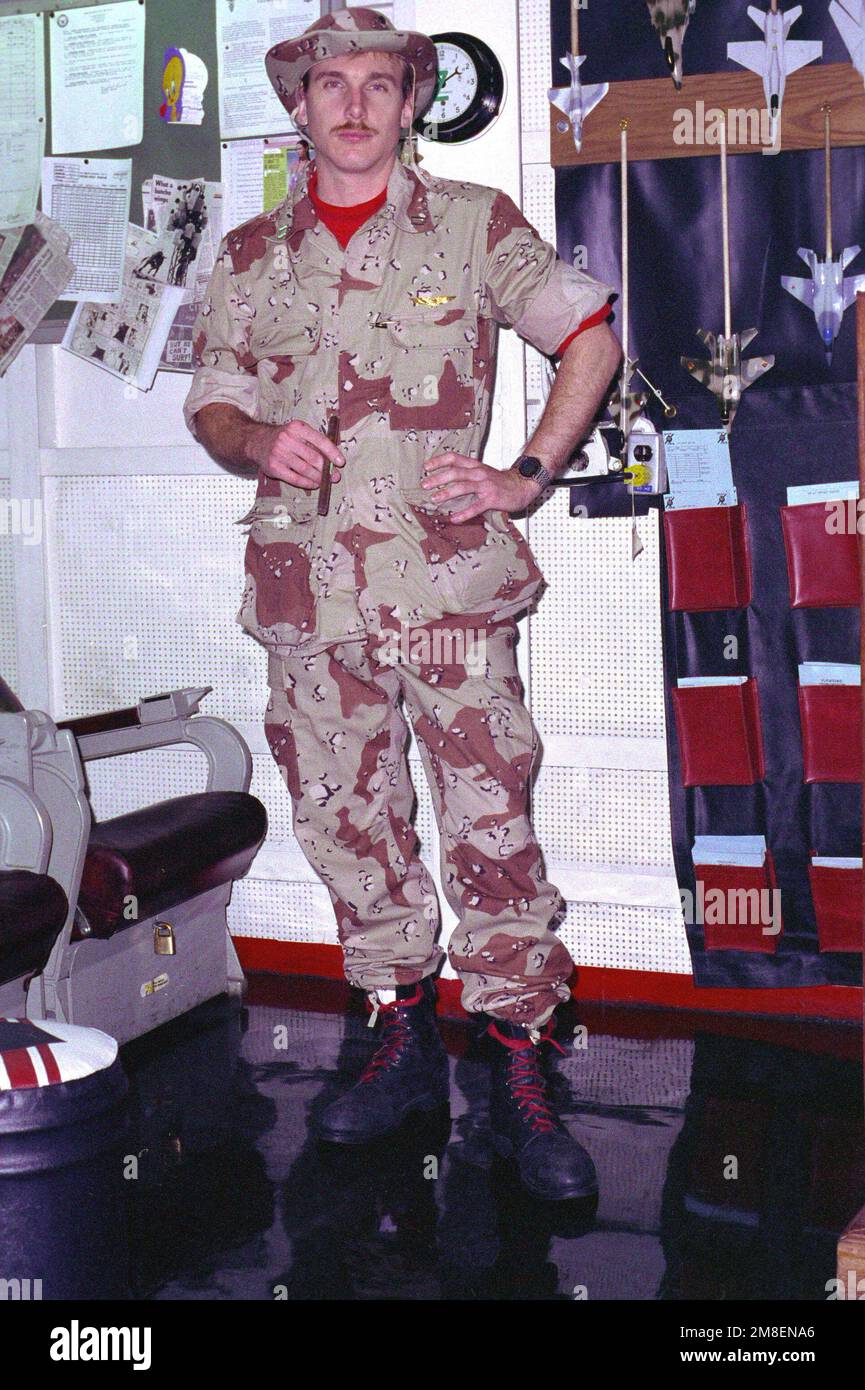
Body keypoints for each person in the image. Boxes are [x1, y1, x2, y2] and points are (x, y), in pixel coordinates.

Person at [185, 7, 621, 1202]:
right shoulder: (244, 255)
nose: (358, 105)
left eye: (383, 83)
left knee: (491, 820)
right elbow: (212, 404)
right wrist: (255, 437)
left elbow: (586, 335)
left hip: (446, 587)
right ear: (301, 102)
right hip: (306, 595)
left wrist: (522, 474)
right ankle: (398, 1038)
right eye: (335, 83)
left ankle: (522, 1065)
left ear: (411, 99)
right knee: (347, 823)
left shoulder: (473, 226)